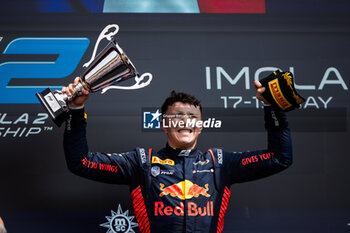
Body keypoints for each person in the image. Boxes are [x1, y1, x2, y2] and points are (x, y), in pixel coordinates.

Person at [62, 77, 292, 233]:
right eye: (177, 116)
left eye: (192, 117)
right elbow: (81, 162)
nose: (185, 121)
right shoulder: (142, 162)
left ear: (200, 126)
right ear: (164, 125)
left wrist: (273, 108)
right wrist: (75, 110)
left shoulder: (220, 163)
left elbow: (279, 158)